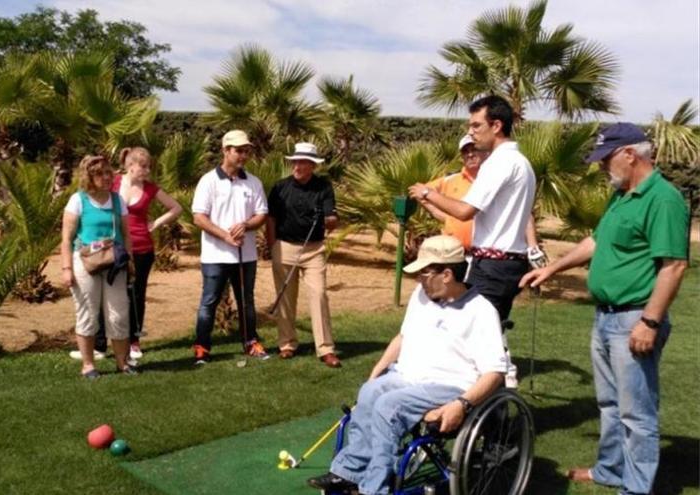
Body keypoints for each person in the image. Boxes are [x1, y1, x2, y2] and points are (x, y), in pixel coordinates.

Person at [520, 123, 688, 495]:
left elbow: (674, 266)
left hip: (635, 317)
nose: (600, 168)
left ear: (630, 154)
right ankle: (611, 470)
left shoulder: (663, 199)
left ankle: (636, 487)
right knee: (610, 403)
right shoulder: (622, 194)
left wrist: (649, 321)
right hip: (606, 317)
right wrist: (552, 267)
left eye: (605, 159)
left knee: (637, 412)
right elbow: (595, 242)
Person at [307, 235, 507, 495]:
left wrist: (461, 405)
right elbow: (403, 337)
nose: (419, 279)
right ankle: (349, 473)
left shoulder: (480, 312)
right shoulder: (422, 296)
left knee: (387, 406)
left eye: (424, 273)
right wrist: (377, 371)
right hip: (408, 377)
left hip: (450, 386)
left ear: (446, 274)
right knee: (369, 393)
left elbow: (495, 373)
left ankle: (374, 488)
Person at [408, 96, 536, 322]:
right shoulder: (520, 162)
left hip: (493, 266)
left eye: (476, 125)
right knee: (487, 334)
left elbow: (464, 211)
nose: (471, 132)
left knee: (474, 338)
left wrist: (429, 194)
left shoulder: (499, 162)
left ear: (496, 126)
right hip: (507, 264)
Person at [190, 130, 270, 364]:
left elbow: (262, 214)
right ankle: (202, 347)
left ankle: (250, 342)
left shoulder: (253, 182)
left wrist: (245, 225)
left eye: (246, 151)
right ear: (226, 151)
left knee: (246, 301)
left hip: (246, 256)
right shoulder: (208, 181)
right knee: (209, 302)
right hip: (215, 255)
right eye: (238, 150)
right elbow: (199, 217)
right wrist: (225, 236)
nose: (243, 155)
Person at [266, 142, 341, 368]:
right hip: (284, 247)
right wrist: (272, 246)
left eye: (304, 162)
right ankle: (287, 344)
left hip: (314, 249)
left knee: (318, 294)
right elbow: (270, 218)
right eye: (296, 161)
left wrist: (331, 221)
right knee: (286, 298)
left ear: (312, 166)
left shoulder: (323, 187)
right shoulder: (280, 187)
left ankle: (325, 349)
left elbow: (332, 218)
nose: (298, 166)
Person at [60, 154, 135, 379]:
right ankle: (88, 364)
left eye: (108, 173)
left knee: (118, 314)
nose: (105, 177)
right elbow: (66, 238)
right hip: (85, 262)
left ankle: (123, 363)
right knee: (88, 313)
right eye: (99, 174)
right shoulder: (78, 200)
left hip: (114, 262)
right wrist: (66, 269)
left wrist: (130, 262)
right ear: (88, 177)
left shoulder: (117, 200)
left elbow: (126, 234)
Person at [113, 147, 183, 361]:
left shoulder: (151, 188)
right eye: (142, 166)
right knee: (112, 294)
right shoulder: (113, 182)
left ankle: (134, 341)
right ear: (130, 165)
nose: (146, 171)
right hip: (114, 246)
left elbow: (176, 208)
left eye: (148, 167)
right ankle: (103, 342)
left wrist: (157, 223)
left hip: (142, 248)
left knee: (137, 294)